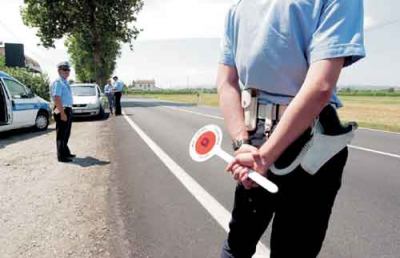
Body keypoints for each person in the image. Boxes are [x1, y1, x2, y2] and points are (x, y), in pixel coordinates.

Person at [217, 1, 365, 257]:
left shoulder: (238, 7)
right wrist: (262, 158)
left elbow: (226, 82)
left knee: (237, 246)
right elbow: (320, 85)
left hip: (255, 139)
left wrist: (245, 145)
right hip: (311, 144)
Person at [51, 61, 76, 163]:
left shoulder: (65, 82)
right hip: (62, 109)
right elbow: (57, 98)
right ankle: (61, 156)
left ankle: (65, 152)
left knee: (66, 133)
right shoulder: (58, 82)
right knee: (61, 134)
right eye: (64, 70)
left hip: (67, 109)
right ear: (59, 71)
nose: (67, 72)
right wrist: (62, 113)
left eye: (68, 70)